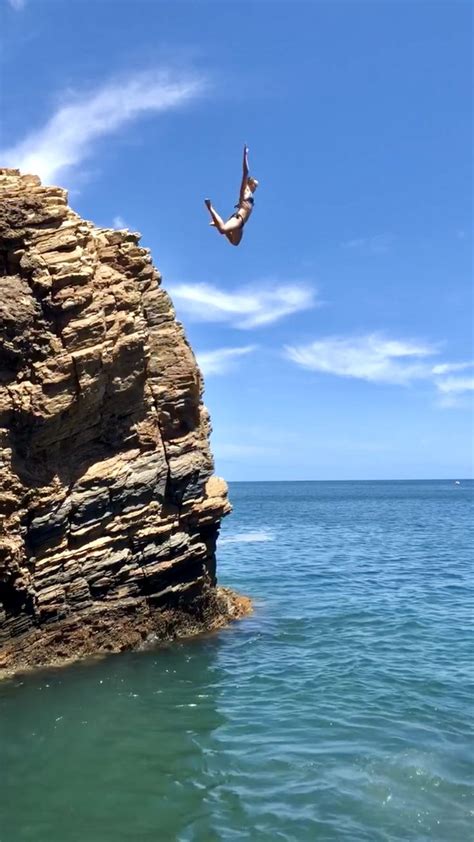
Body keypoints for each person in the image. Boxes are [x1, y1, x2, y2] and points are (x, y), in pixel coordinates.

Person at [204, 145, 258, 246]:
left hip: (241, 224)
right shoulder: (245, 191)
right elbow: (246, 172)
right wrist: (245, 155)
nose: (256, 187)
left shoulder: (249, 196)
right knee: (222, 230)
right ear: (250, 184)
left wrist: (240, 204)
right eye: (255, 184)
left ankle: (217, 223)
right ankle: (210, 208)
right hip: (238, 219)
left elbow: (244, 204)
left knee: (235, 243)